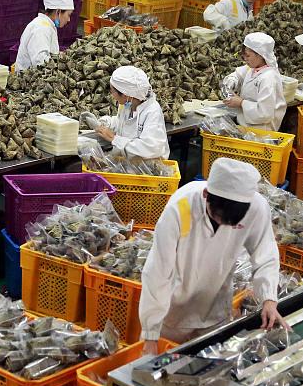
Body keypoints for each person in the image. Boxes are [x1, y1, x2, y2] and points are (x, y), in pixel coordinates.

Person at [139, 158, 284, 351]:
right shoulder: (181, 207)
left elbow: (265, 254)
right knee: (164, 367)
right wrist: (150, 334)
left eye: (231, 224)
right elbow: (158, 271)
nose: (224, 227)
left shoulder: (257, 207)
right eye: (218, 219)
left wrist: (269, 299)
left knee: (210, 370)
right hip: (172, 314)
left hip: (215, 311)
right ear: (206, 194)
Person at [92, 66, 170, 160]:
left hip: (150, 168)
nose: (111, 94)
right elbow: (122, 123)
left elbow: (150, 149)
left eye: (112, 91)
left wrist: (114, 139)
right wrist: (106, 123)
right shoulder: (128, 104)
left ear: (125, 95)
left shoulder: (152, 111)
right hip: (130, 162)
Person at [221, 32, 287, 131]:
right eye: (243, 56)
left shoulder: (268, 78)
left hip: (261, 133)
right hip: (246, 127)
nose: (245, 59)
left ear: (260, 55)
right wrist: (232, 81)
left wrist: (241, 103)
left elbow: (265, 113)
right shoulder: (254, 67)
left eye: (248, 56)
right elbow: (238, 74)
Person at [15, 0, 73, 71]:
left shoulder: (46, 25)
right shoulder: (41, 29)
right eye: (68, 15)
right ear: (58, 12)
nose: (69, 19)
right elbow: (41, 63)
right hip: (30, 81)